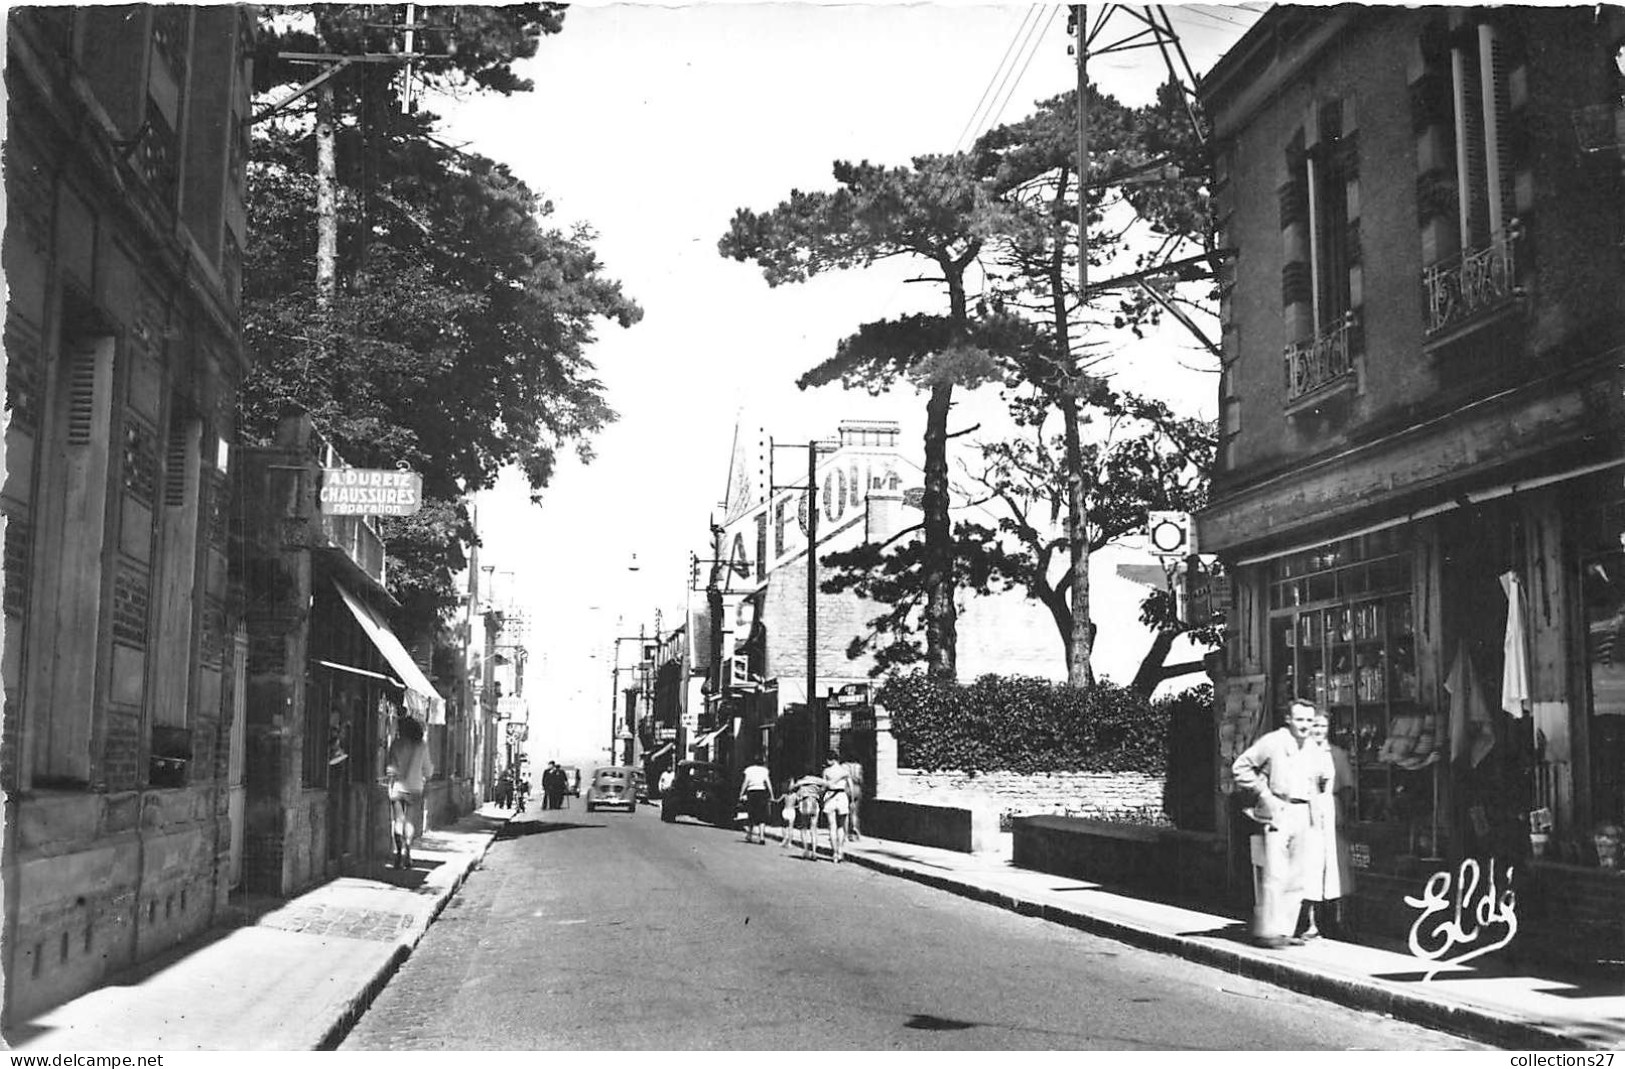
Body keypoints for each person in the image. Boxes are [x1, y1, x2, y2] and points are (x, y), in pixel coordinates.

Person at [1231, 699, 1332, 949]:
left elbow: (1317, 781)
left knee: (1297, 875)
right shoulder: (1273, 741)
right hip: (1280, 809)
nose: (1305, 725)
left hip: (1304, 810)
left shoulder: (1312, 748)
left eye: (1309, 720)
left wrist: (1316, 814)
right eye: (1299, 720)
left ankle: (1285, 931)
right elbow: (1241, 767)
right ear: (1288, 719)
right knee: (1276, 872)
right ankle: (1267, 932)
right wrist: (1265, 796)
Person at [1298, 711, 1355, 940]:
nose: (1319, 730)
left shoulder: (1337, 755)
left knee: (1335, 866)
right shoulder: (1300, 754)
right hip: (1308, 812)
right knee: (1309, 865)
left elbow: (1348, 786)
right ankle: (1310, 922)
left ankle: (1338, 921)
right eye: (1315, 725)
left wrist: (1345, 813)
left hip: (1331, 812)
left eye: (1323, 726)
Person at [384, 715, 432, 870]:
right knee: (410, 821)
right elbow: (428, 769)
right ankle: (408, 853)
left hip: (397, 788)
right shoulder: (421, 746)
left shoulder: (396, 744)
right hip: (415, 788)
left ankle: (398, 852)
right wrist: (426, 775)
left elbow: (390, 767)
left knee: (398, 821)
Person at [788, 768, 827, 860]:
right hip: (814, 802)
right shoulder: (818, 781)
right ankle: (814, 852)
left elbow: (791, 788)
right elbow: (827, 785)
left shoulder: (802, 781)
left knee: (804, 828)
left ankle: (805, 850)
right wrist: (820, 792)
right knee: (814, 829)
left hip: (804, 802)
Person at [821, 756, 851, 863]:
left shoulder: (826, 771)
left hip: (830, 796)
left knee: (832, 826)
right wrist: (850, 800)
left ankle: (834, 853)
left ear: (831, 759)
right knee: (841, 826)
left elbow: (824, 786)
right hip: (842, 796)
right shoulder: (844, 771)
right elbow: (850, 787)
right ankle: (840, 851)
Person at [739, 756, 775, 844]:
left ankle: (749, 835)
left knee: (751, 814)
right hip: (761, 792)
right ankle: (762, 837)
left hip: (752, 792)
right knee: (762, 815)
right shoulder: (765, 771)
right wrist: (772, 795)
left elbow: (746, 782)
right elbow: (768, 783)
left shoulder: (749, 770)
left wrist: (741, 794)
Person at [843, 756, 865, 841]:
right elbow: (861, 780)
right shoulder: (858, 766)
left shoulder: (844, 766)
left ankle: (846, 833)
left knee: (846, 812)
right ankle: (855, 830)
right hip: (857, 788)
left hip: (847, 788)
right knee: (855, 812)